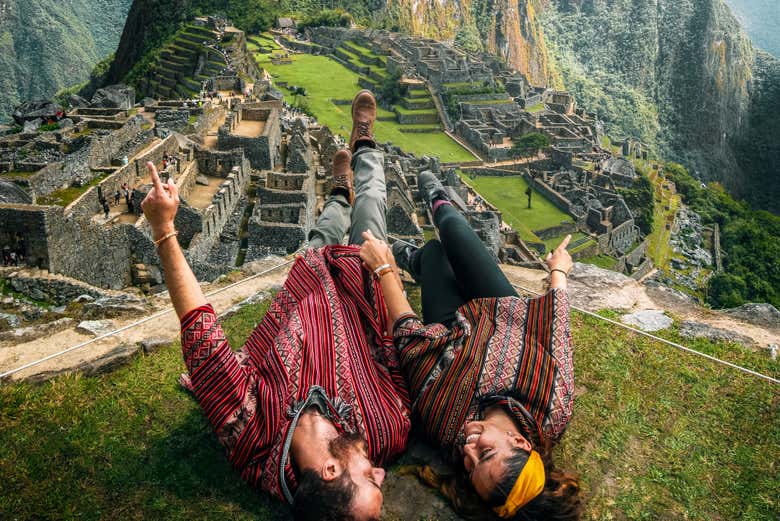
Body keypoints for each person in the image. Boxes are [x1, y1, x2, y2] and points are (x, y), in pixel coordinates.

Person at [140, 90, 410, 521]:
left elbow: (201, 334)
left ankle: (340, 194)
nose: (381, 471)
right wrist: (385, 277)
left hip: (308, 283)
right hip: (363, 288)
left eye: (369, 480)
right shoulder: (383, 432)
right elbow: (401, 358)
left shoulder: (254, 434)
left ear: (329, 469)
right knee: (372, 205)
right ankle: (364, 146)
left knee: (324, 229)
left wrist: (164, 228)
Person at [359, 171, 580, 521]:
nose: (468, 447)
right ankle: (437, 198)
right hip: (501, 310)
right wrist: (559, 271)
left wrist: (385, 269)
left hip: (451, 331)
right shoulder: (551, 403)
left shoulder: (447, 425)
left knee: (434, 254)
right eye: (486, 452)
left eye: (469, 464)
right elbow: (556, 330)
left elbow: (412, 344)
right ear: (521, 443)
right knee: (453, 229)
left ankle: (416, 260)